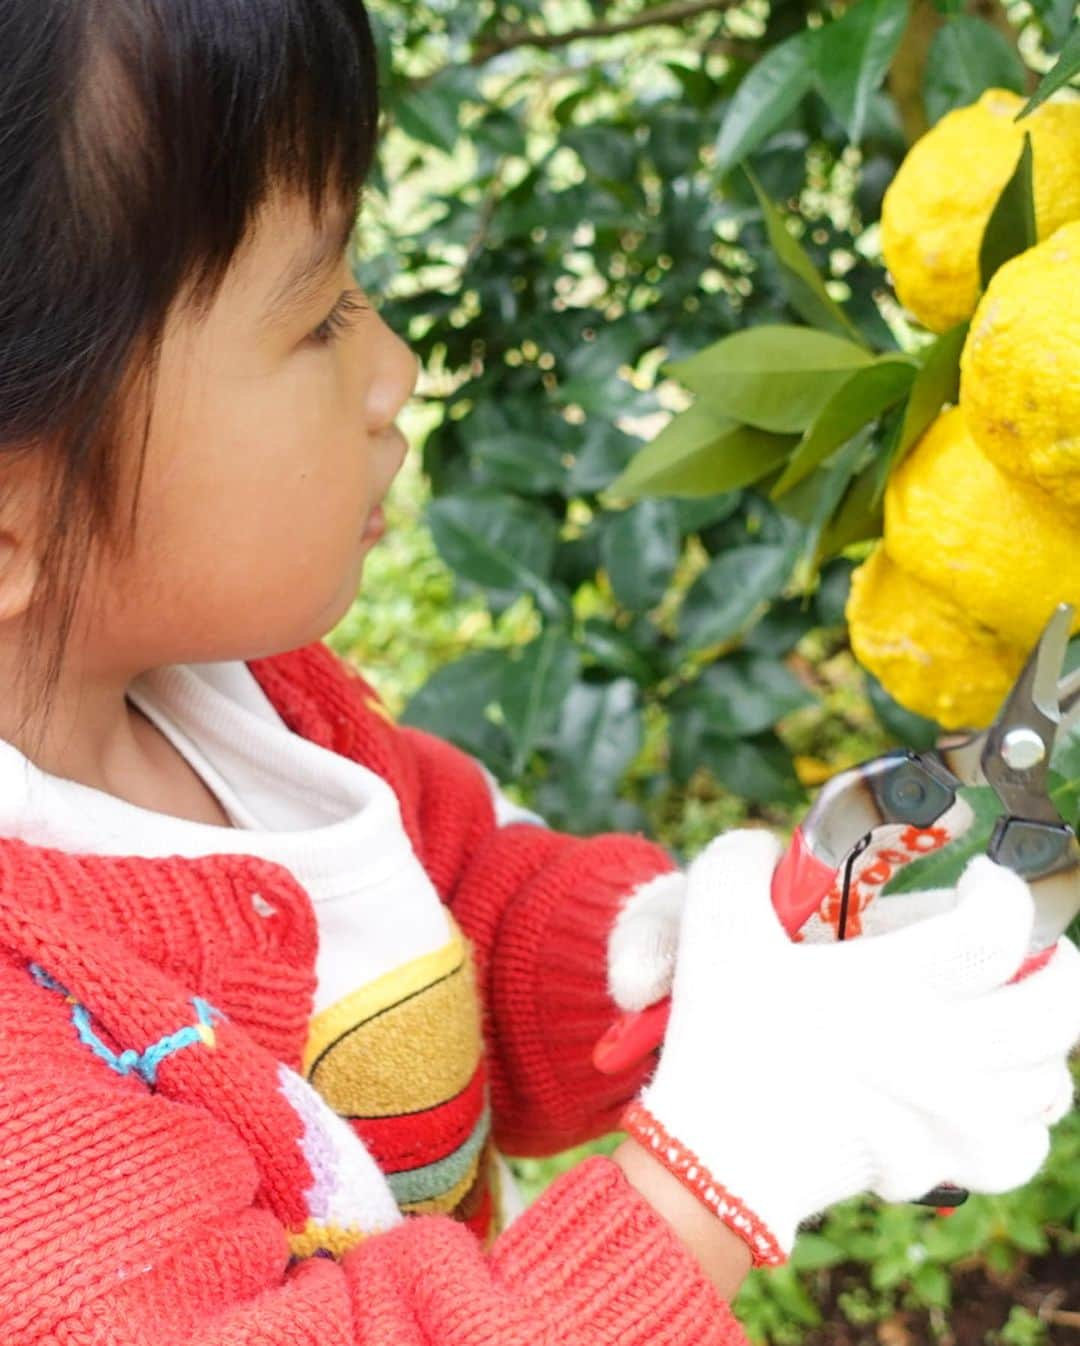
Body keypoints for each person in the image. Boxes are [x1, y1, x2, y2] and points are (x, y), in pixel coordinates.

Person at [0, 3, 1077, 1341]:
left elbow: (461, 905)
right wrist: (715, 1168)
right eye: (320, 318)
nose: (394, 372)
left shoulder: (252, 699)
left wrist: (683, 971)